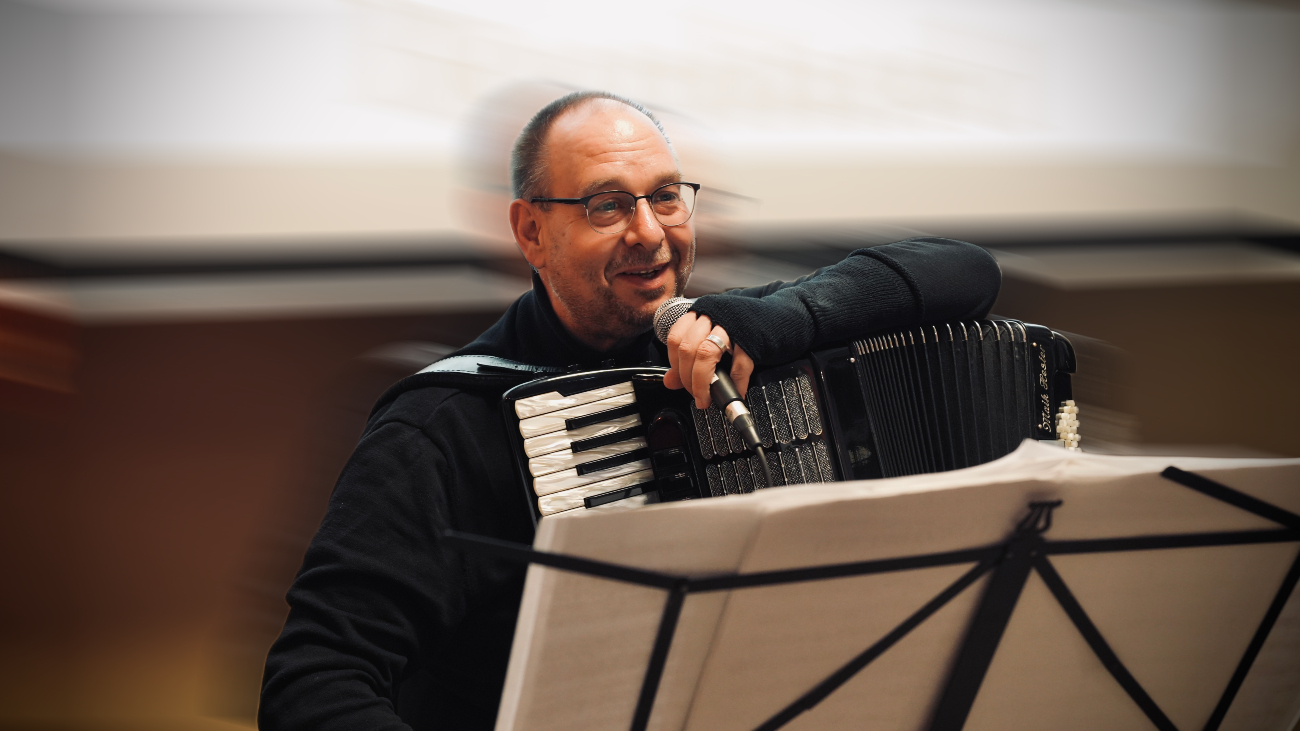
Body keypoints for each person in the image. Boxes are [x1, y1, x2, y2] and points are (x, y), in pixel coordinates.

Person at [259, 91, 1001, 731]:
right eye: (607, 205)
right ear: (531, 232)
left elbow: (970, 270)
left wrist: (794, 315)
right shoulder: (440, 430)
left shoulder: (739, 339)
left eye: (667, 195)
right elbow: (313, 684)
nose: (649, 231)